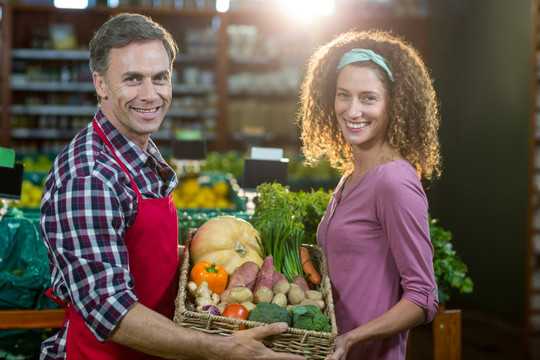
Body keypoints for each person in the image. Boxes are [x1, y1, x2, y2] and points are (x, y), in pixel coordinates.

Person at [40, 13, 305, 360]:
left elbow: (145, 254)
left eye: (160, 78)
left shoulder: (138, 148)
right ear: (100, 83)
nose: (150, 95)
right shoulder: (90, 177)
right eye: (133, 79)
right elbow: (111, 313)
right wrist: (223, 349)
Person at [297, 29, 441, 360]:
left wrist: (351, 339)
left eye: (368, 98)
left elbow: (422, 297)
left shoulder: (394, 182)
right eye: (343, 95)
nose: (352, 110)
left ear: (395, 104)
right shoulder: (351, 175)